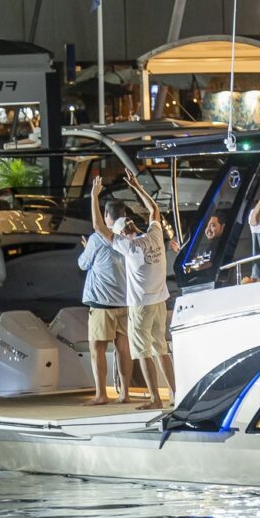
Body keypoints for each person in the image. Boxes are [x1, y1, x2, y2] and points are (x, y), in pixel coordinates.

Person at [92, 171, 170, 408]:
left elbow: (97, 226)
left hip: (141, 305)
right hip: (161, 302)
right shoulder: (155, 236)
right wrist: (137, 186)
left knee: (143, 351)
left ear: (123, 232)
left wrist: (94, 196)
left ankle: (156, 399)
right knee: (162, 350)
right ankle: (176, 393)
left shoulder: (130, 247)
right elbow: (154, 210)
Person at [79, 197, 132, 405]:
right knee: (124, 349)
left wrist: (86, 248)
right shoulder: (128, 237)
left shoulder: (96, 239)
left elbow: (83, 264)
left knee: (97, 349)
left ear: (107, 216)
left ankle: (101, 394)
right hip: (125, 302)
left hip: (102, 304)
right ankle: (125, 393)